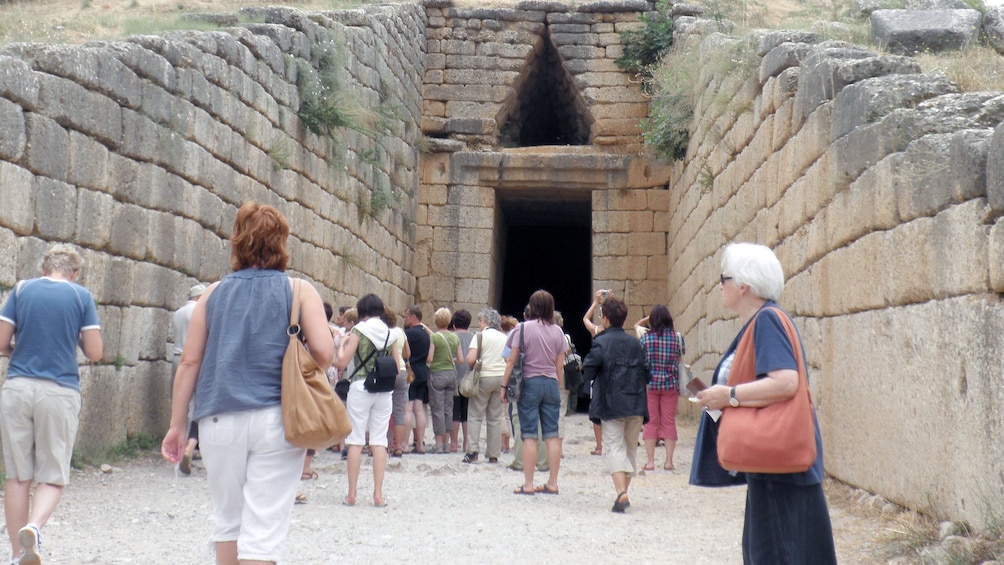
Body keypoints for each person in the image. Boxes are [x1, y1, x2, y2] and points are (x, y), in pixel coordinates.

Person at [161, 202, 334, 565]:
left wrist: (178, 425)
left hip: (218, 419)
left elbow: (190, 361)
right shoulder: (300, 291)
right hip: (277, 417)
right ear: (282, 241)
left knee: (228, 521)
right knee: (263, 530)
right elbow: (324, 352)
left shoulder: (212, 293)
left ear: (237, 240)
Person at [693, 243, 836, 563]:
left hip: (777, 468)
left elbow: (786, 381)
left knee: (776, 553)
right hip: (775, 463)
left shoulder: (767, 320)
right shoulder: (766, 320)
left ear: (743, 285)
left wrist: (729, 395)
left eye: (724, 278)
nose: (720, 286)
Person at [0, 243, 103, 565]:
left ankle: (17, 555)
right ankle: (34, 526)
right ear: (75, 274)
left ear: (43, 270)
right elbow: (95, 352)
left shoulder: (21, 290)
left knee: (17, 476)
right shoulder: (80, 296)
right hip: (59, 390)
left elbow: (1, 342)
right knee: (52, 474)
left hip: (17, 387)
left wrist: (17, 349)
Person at [582, 297, 650, 513]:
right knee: (630, 448)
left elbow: (589, 368)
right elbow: (646, 372)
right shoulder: (636, 343)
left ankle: (621, 493)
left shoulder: (601, 342)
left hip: (612, 403)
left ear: (606, 318)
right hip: (636, 402)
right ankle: (623, 492)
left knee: (613, 446)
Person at [501, 290, 567, 495]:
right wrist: (557, 387)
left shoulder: (522, 328)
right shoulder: (558, 332)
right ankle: (553, 482)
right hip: (551, 384)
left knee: (529, 434)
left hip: (529, 383)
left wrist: (504, 387)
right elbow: (559, 366)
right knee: (552, 435)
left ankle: (528, 484)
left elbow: (511, 360)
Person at [334, 294, 395, 507]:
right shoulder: (391, 333)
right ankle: (378, 495)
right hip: (384, 389)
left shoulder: (358, 331)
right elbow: (396, 363)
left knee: (355, 439)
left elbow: (342, 361)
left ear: (363, 312)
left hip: (361, 386)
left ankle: (352, 494)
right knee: (379, 440)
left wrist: (342, 344)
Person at [635, 305, 684, 471]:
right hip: (670, 384)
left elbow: (641, 362)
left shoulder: (645, 339)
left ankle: (650, 462)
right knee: (669, 422)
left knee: (650, 422)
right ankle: (669, 461)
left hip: (650, 385)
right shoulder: (677, 338)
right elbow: (679, 361)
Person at [462, 308, 507, 464]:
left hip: (483, 377)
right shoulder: (504, 337)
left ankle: (473, 451)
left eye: (481, 321)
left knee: (475, 415)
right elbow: (508, 359)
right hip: (501, 378)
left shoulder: (479, 336)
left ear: (487, 322)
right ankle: (493, 454)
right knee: (495, 417)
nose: (479, 324)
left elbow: (470, 359)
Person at [172, 283, 206, 476]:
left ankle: (178, 441)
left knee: (180, 402)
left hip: (176, 358)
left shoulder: (178, 312)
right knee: (197, 405)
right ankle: (190, 445)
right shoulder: (198, 312)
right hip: (193, 360)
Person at [428, 307, 461, 454]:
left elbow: (429, 358)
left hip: (437, 373)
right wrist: (450, 360)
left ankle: (439, 443)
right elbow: (460, 359)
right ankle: (447, 443)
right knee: (449, 408)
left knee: (437, 408)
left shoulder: (434, 337)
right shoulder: (455, 338)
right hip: (451, 375)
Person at [582, 289, 611, 456]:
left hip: (599, 375)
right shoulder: (615, 330)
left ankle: (599, 446)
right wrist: (611, 301)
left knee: (596, 410)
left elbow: (585, 318)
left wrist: (595, 302)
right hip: (613, 373)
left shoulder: (597, 331)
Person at [403, 305, 432, 453]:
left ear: (413, 317)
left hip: (411, 372)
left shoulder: (408, 334)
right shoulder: (426, 334)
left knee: (408, 409)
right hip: (422, 372)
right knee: (419, 410)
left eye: (406, 316)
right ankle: (420, 444)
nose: (404, 319)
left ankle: (405, 444)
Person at [384, 307, 411, 458]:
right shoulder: (400, 332)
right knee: (399, 410)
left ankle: (386, 443)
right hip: (401, 370)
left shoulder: (383, 332)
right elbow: (408, 353)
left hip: (387, 370)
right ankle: (399, 447)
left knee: (384, 410)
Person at [450, 310, 474, 454]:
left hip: (455, 377)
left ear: (453, 324)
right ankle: (466, 443)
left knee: (455, 412)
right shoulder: (474, 337)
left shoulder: (452, 337)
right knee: (466, 413)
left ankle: (453, 443)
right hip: (469, 379)